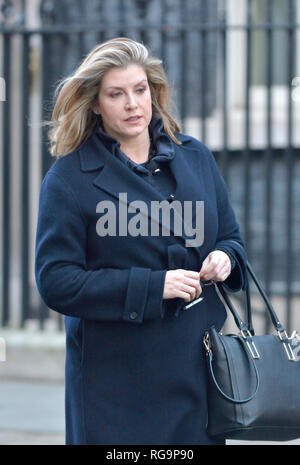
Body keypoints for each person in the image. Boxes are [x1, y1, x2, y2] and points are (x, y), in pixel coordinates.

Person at [35, 37, 247, 445]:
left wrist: (224, 257)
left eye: (140, 90)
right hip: (114, 387)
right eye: (116, 94)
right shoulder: (68, 179)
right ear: (95, 103)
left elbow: (230, 238)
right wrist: (155, 286)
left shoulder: (195, 157)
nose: (133, 104)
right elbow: (56, 280)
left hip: (196, 375)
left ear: (153, 92)